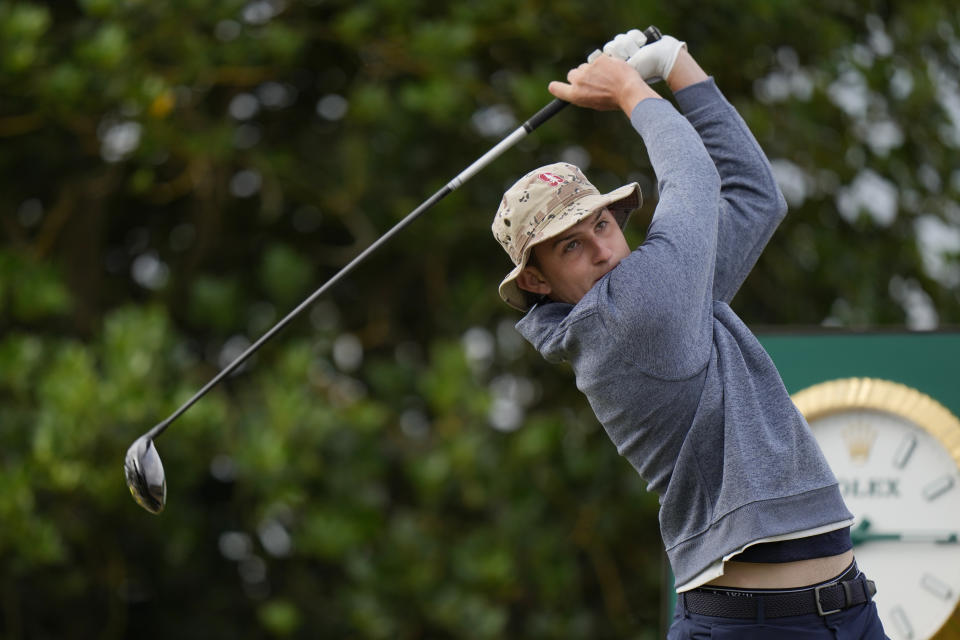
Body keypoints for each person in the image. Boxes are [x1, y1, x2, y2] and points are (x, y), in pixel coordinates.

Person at [490, 30, 889, 638]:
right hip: (751, 629)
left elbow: (756, 197)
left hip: (849, 612)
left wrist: (679, 66)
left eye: (602, 223)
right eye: (572, 245)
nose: (603, 249)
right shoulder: (627, 317)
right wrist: (631, 88)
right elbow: (697, 181)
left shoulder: (671, 295)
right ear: (538, 282)